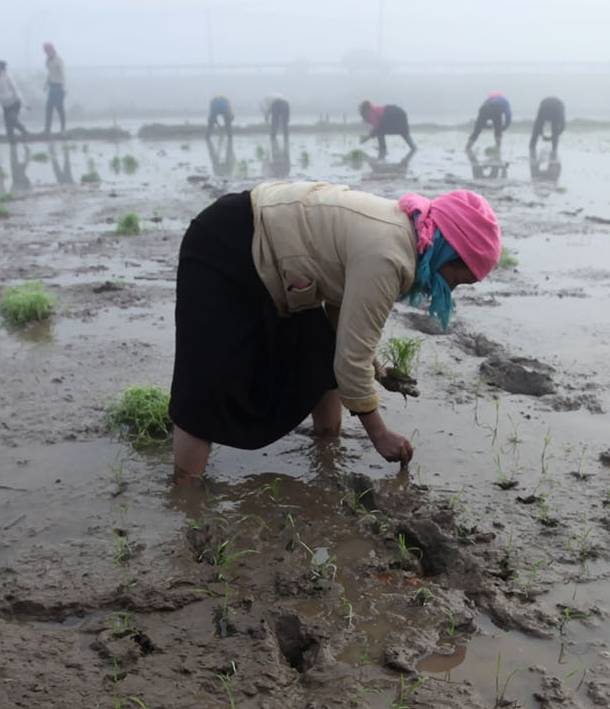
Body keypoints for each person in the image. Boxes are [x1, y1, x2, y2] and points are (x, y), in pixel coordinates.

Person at [168, 182, 500, 484]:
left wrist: (374, 363)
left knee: (320, 350)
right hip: (226, 241)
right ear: (447, 250)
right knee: (207, 381)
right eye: (459, 279)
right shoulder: (389, 255)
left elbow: (346, 316)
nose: (452, 289)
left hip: (279, 258)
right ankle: (186, 494)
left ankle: (327, 451)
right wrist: (379, 434)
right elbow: (351, 362)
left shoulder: (405, 236)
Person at [0, 59, 26, 142]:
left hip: (14, 102)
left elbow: (15, 88)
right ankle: (13, 148)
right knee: (9, 131)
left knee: (12, 119)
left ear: (0, 67)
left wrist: (23, 102)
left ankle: (24, 131)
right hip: (5, 105)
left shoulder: (7, 75)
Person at [43, 42, 67, 136]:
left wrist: (64, 87)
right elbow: (50, 73)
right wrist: (46, 84)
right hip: (52, 87)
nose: (47, 52)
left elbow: (62, 73)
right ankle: (47, 130)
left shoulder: (59, 60)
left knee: (60, 108)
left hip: (59, 86)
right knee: (49, 108)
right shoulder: (48, 61)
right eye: (46, 51)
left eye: (48, 50)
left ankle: (63, 129)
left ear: (52, 50)